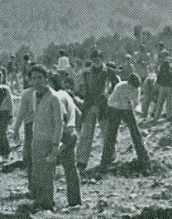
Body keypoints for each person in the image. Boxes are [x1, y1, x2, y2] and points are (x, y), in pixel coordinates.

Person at [28, 65, 66, 210]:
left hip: (49, 140)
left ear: (46, 79)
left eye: (39, 78)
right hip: (37, 139)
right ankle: (40, 199)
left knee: (48, 173)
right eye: (33, 78)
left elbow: (59, 122)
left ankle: (47, 202)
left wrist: (56, 144)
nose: (36, 81)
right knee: (37, 171)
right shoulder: (34, 95)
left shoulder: (54, 98)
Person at [101, 73, 150, 170]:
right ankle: (106, 160)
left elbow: (136, 103)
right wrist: (129, 107)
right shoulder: (120, 87)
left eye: (135, 87)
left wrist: (138, 111)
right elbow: (116, 102)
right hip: (114, 107)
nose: (133, 89)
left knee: (135, 131)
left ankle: (143, 157)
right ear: (129, 83)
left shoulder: (137, 89)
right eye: (132, 87)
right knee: (111, 133)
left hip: (127, 108)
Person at [75, 50, 114, 169]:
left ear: (102, 59)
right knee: (86, 133)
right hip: (90, 104)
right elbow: (81, 87)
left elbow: (115, 85)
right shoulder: (86, 72)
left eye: (99, 59)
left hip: (103, 105)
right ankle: (81, 160)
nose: (96, 61)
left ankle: (110, 157)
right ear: (91, 60)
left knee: (106, 131)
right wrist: (83, 96)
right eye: (94, 59)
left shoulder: (108, 71)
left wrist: (109, 96)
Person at [51, 73, 82, 206]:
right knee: (70, 169)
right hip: (71, 132)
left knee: (49, 166)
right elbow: (79, 114)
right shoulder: (66, 95)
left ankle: (47, 200)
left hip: (62, 134)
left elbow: (61, 119)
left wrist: (58, 142)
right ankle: (74, 201)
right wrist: (76, 131)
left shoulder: (56, 97)